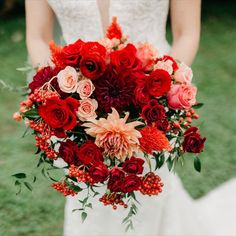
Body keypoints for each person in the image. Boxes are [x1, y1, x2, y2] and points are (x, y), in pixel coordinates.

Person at [25, 1, 236, 236]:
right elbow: (38, 37)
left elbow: (186, 33)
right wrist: (59, 91)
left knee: (149, 193)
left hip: (152, 104)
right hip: (76, 107)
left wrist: (160, 90)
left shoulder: (155, 101)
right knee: (88, 196)